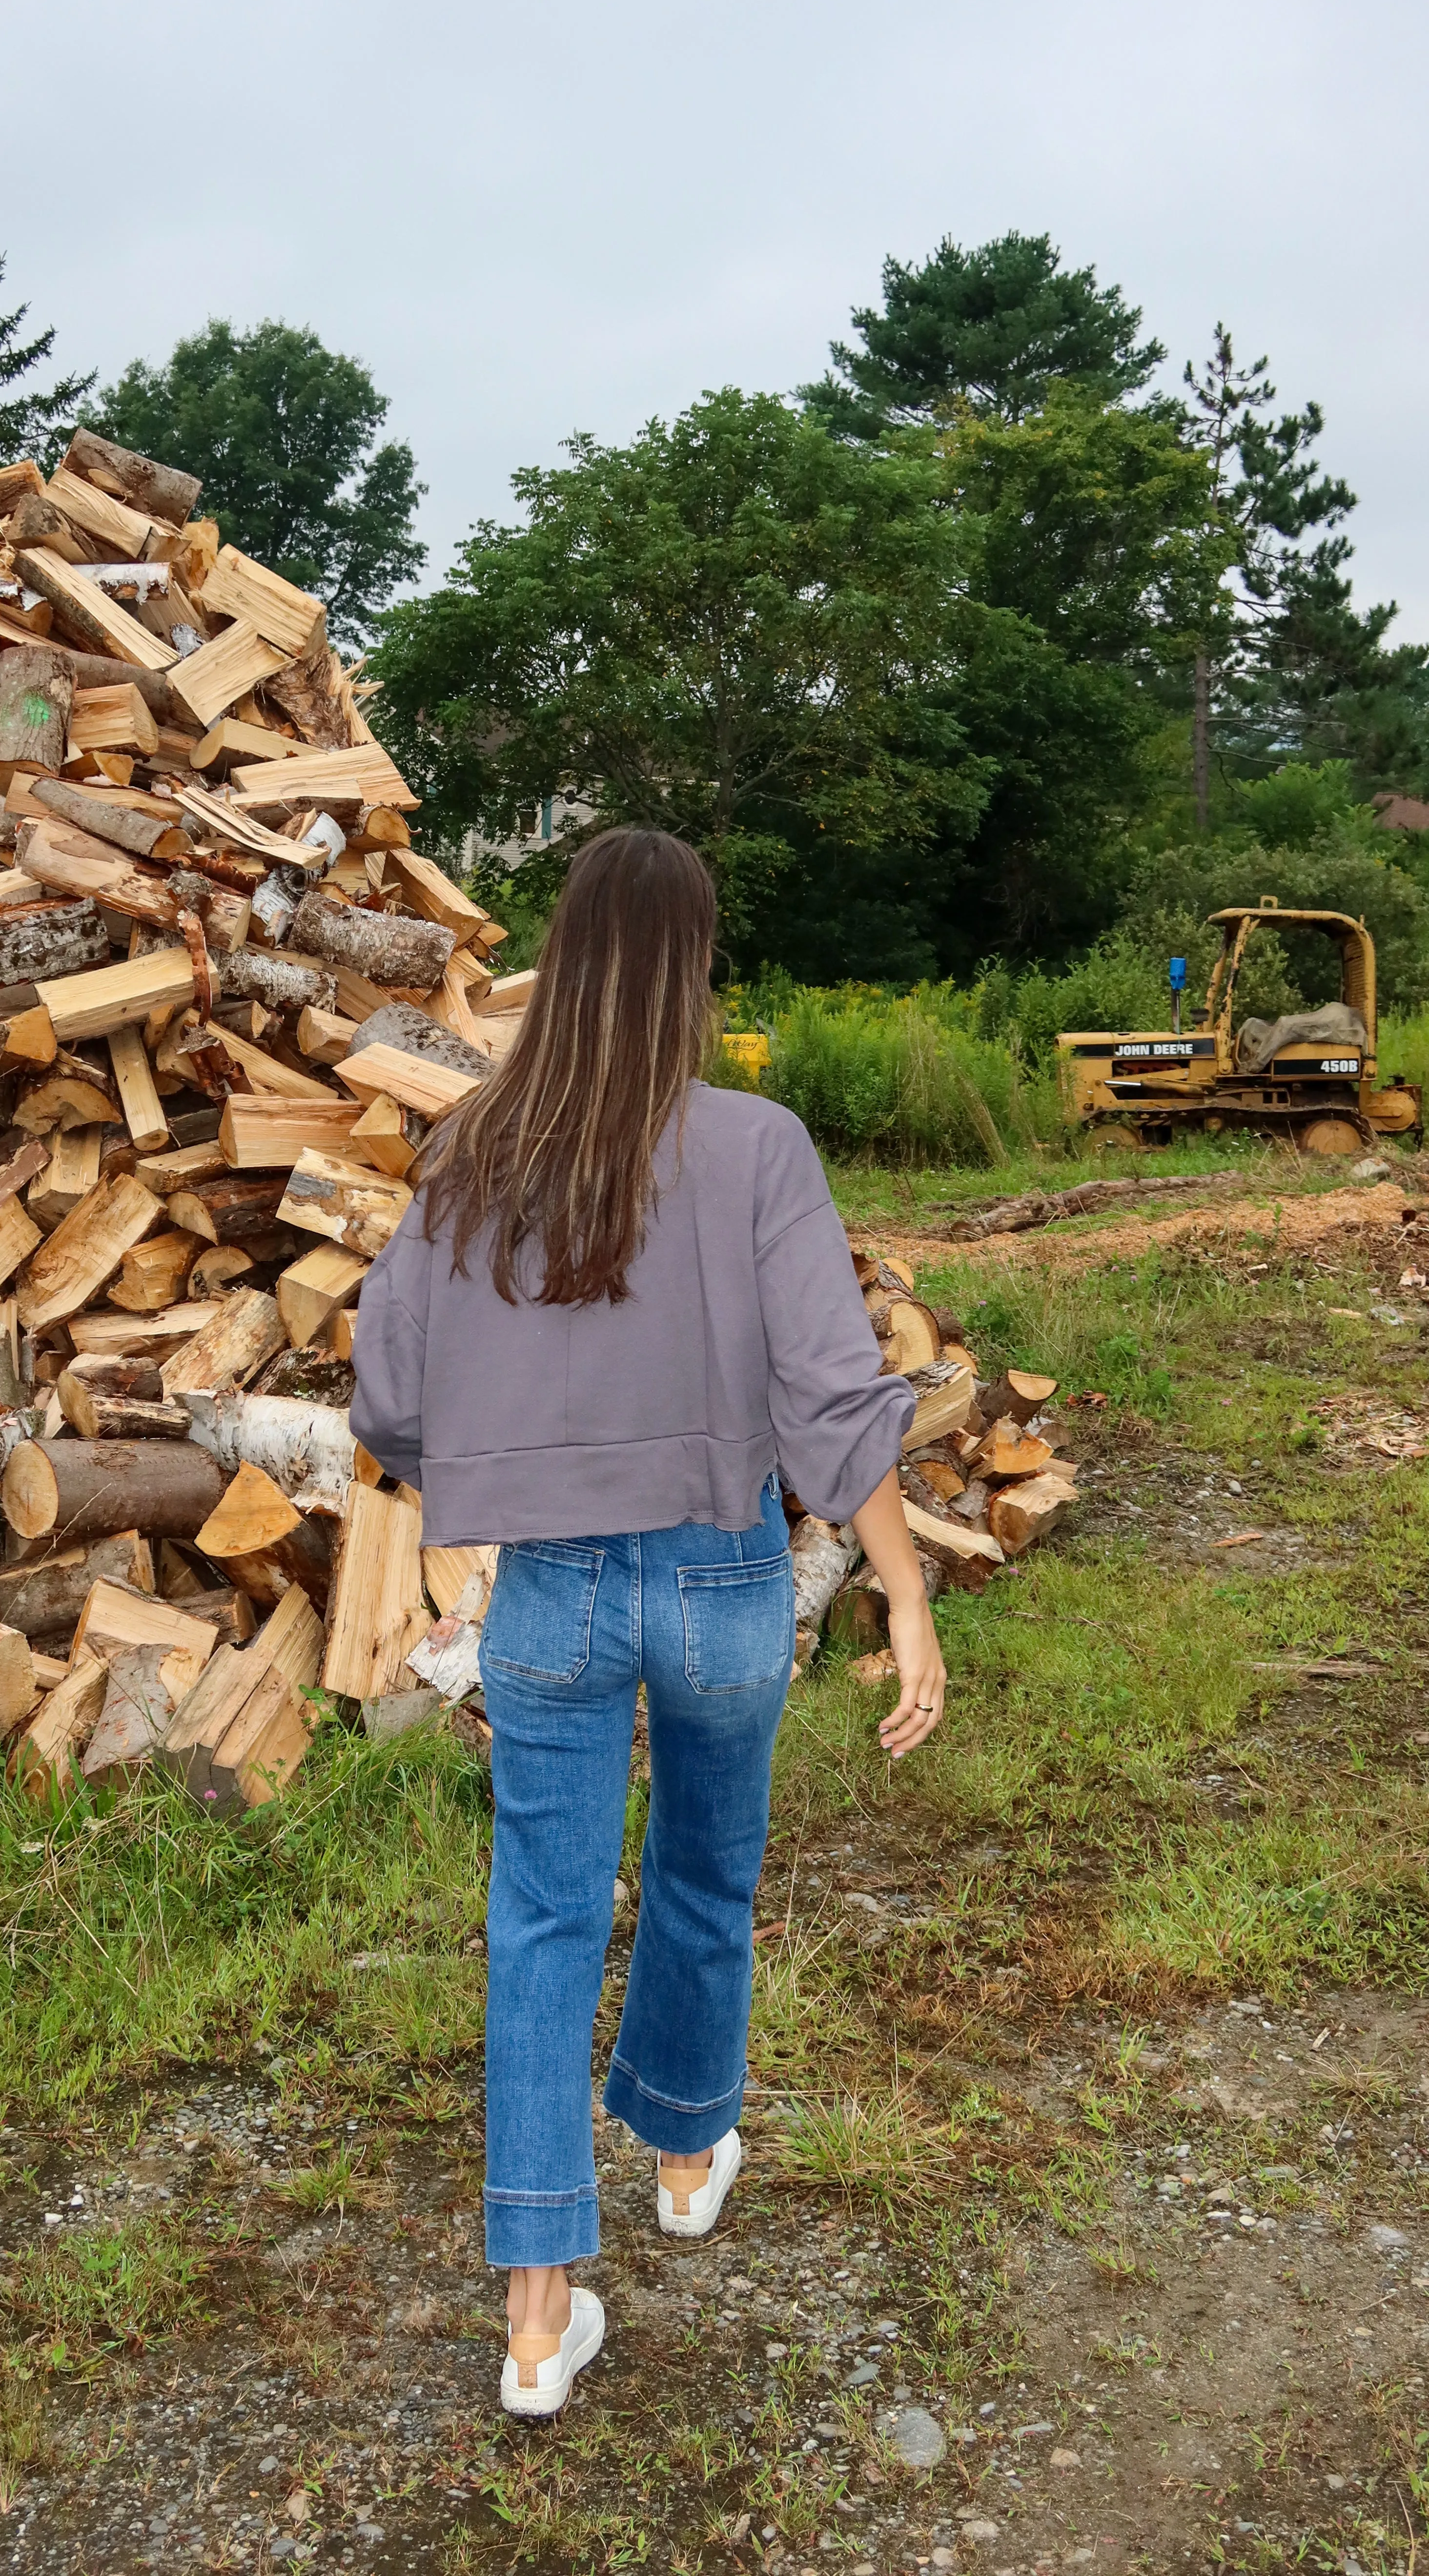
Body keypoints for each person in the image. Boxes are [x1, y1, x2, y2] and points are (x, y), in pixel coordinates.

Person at [349, 825, 946, 2420]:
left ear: (570, 959)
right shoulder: (758, 1145)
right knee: (707, 1864)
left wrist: (494, 1460)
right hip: (723, 1579)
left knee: (541, 1919)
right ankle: (687, 2153)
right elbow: (832, 1395)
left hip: (548, 1585)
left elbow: (391, 1397)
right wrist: (900, 1581)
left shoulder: (473, 1151)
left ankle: (537, 2321)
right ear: (689, 972)